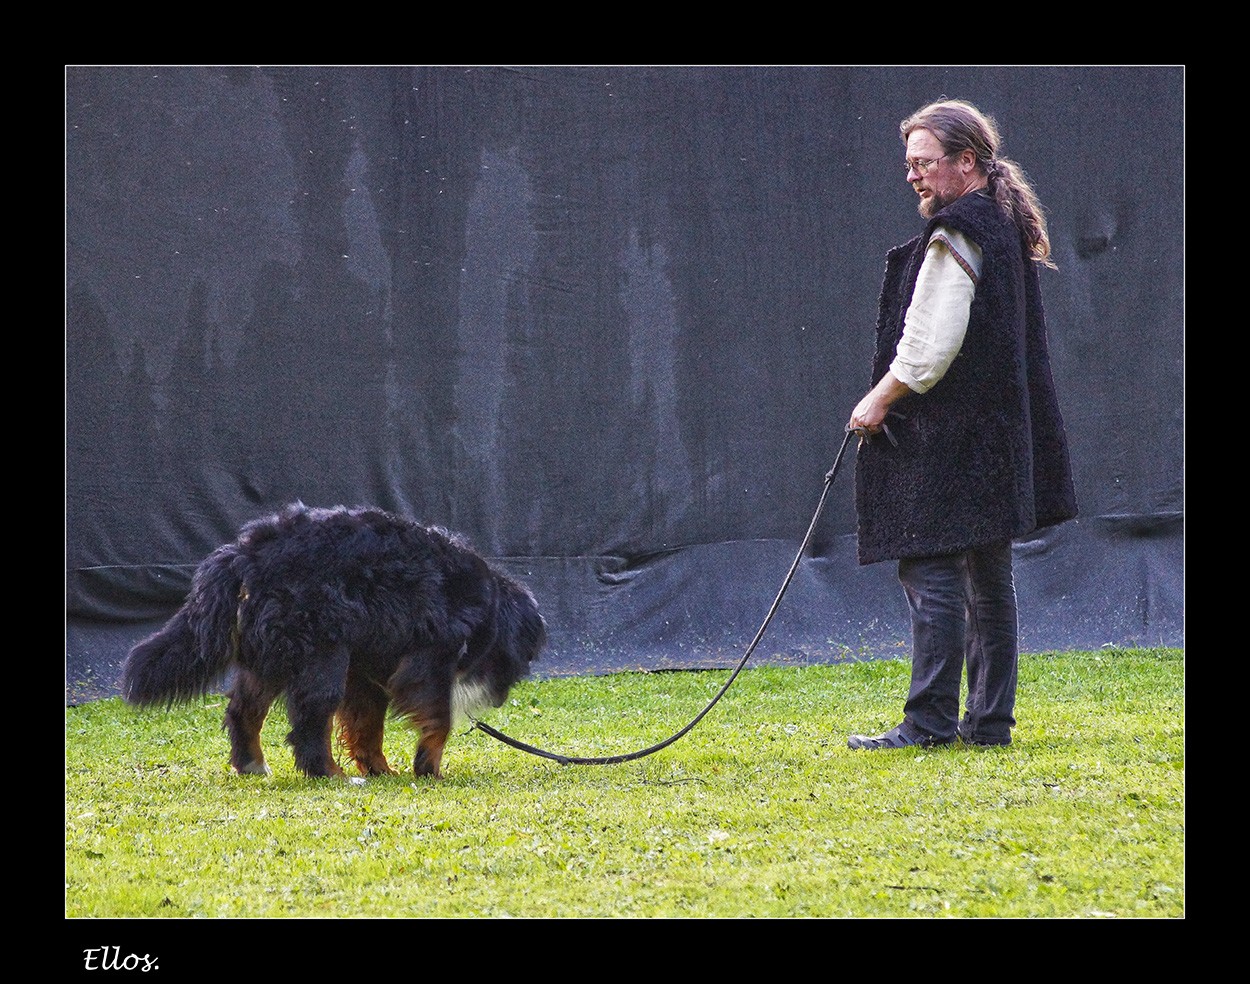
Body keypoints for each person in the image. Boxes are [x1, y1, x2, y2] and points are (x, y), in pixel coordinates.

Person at [845, 99, 1077, 751]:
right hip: (995, 439)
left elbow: (929, 345)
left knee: (934, 571)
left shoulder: (959, 230)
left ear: (966, 162)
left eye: (924, 163)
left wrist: (879, 400)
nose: (913, 175)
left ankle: (928, 723)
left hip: (952, 439)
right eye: (909, 163)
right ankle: (988, 723)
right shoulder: (1001, 221)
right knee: (986, 577)